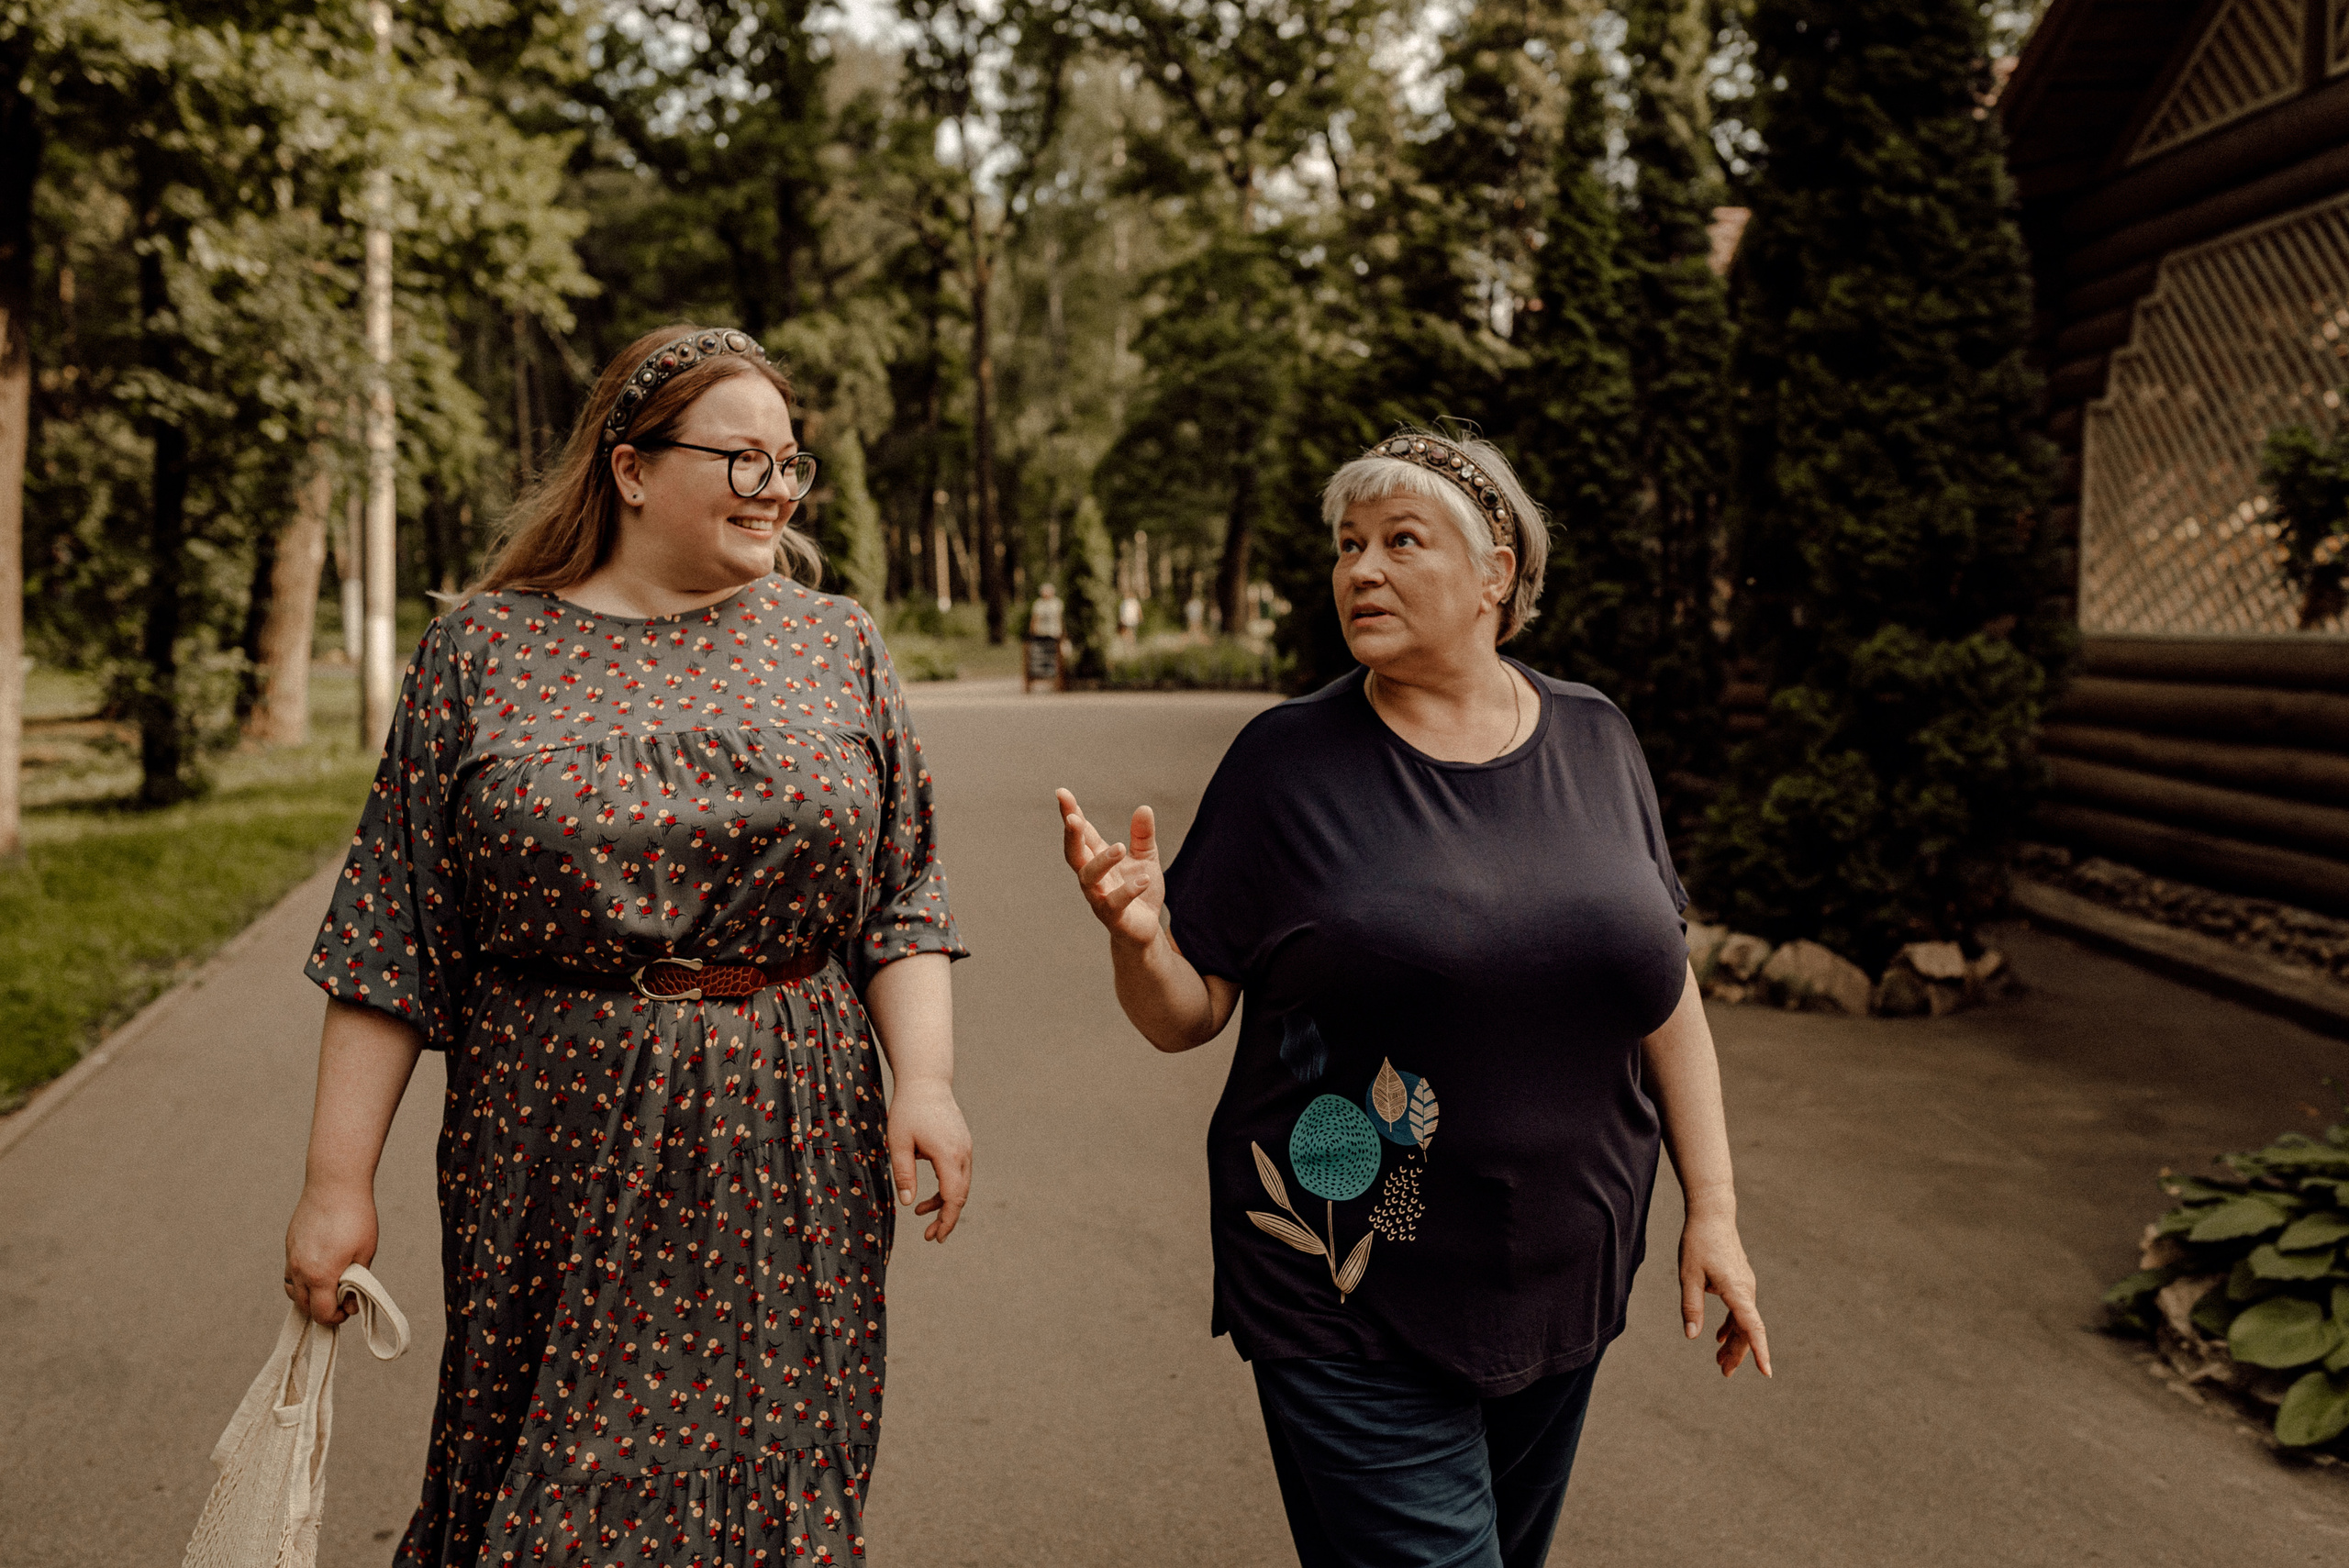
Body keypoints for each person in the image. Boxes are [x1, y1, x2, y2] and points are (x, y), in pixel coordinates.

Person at [282, 325, 972, 1567]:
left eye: (788, 464)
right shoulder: (479, 652)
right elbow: (394, 934)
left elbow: (901, 897)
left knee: (775, 1468)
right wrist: (337, 1188)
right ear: (632, 469)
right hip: (552, 1132)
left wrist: (923, 1081)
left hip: (791, 1130)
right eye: (741, 459)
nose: (775, 489)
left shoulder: (836, 644)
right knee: (553, 1470)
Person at [1054, 428, 1770, 1568]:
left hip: (1560, 1282)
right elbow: (1185, 1014)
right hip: (1343, 1288)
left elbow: (1663, 989)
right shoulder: (1288, 762)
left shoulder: (1596, 736)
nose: (1359, 570)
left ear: (1497, 572)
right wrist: (1138, 940)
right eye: (1346, 546)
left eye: (1399, 541)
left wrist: (1715, 1209)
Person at [1026, 582, 1065, 692]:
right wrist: (1031, 632)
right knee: (1040, 657)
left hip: (1054, 633)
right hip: (1041, 634)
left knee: (1055, 657)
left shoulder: (1057, 603)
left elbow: (1059, 618)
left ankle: (1055, 679)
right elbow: (1035, 619)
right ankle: (1041, 676)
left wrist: (1062, 633)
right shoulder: (1038, 604)